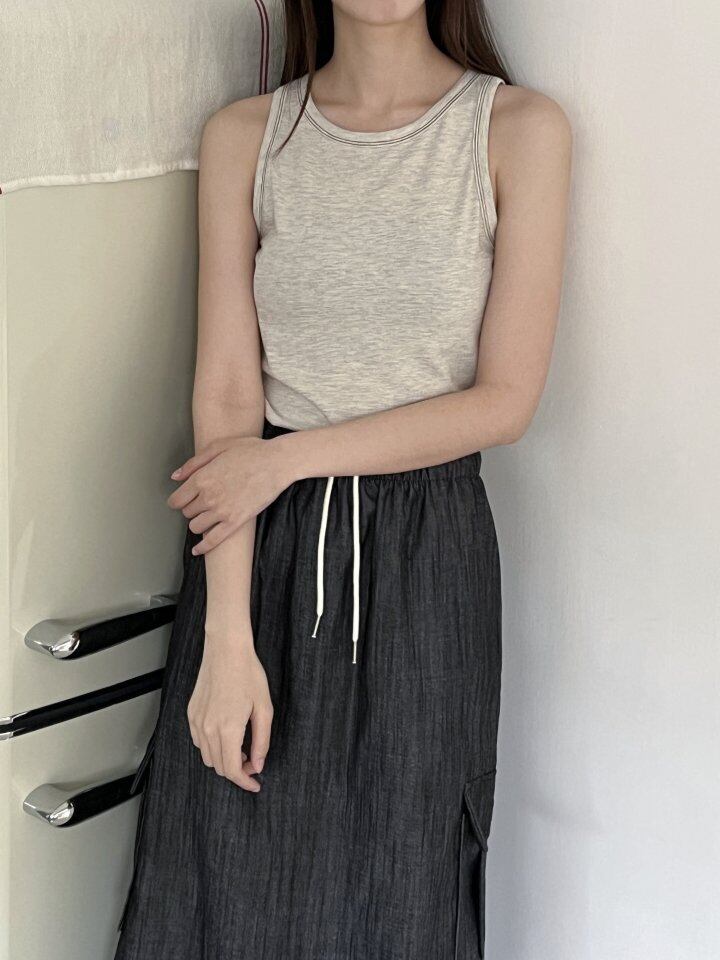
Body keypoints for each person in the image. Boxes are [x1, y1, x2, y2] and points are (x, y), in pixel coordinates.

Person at [113, 1, 571, 957]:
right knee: (222, 877)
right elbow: (227, 393)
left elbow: (504, 402)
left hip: (426, 552)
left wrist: (286, 458)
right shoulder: (248, 135)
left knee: (402, 884)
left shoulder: (516, 129)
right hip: (258, 545)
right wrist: (225, 640)